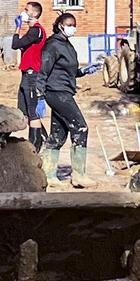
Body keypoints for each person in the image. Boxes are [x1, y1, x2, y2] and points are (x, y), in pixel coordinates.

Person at [39, 11, 96, 188]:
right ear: (60, 26)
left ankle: (48, 175)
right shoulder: (52, 45)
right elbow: (43, 70)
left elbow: (69, 71)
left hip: (65, 90)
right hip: (56, 92)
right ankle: (79, 176)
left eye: (74, 24)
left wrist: (84, 71)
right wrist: (39, 96)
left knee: (58, 135)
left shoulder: (67, 45)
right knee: (81, 127)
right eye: (69, 24)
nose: (73, 27)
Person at [11, 1, 47, 150]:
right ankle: (43, 137)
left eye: (26, 10)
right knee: (23, 110)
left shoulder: (35, 31)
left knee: (33, 112)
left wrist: (17, 27)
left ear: (34, 14)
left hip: (33, 74)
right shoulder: (32, 31)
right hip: (26, 73)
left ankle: (35, 145)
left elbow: (15, 44)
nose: (23, 12)